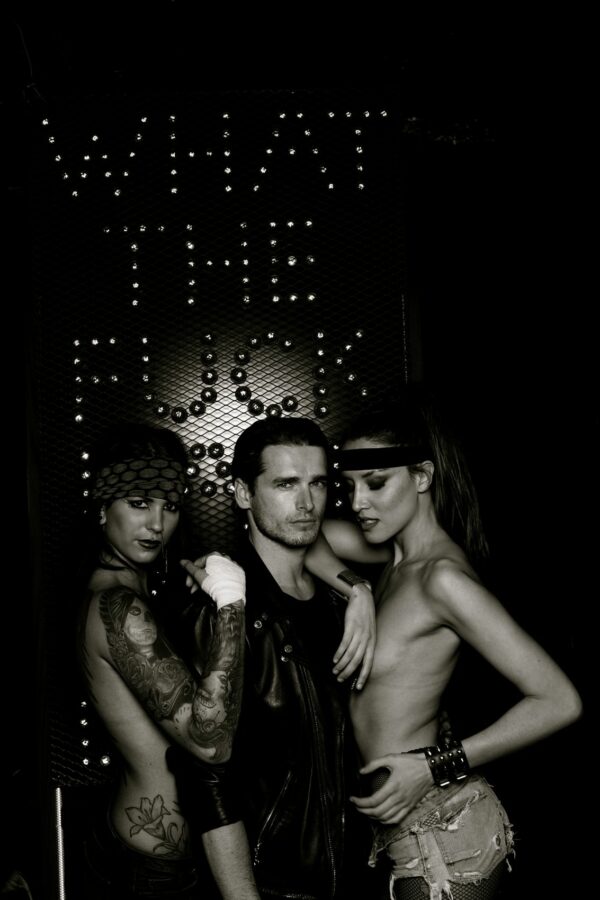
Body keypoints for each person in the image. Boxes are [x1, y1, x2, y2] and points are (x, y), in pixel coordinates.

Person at [306, 390, 583, 899]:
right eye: (349, 486)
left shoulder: (442, 579)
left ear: (422, 477)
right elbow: (302, 531)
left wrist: (434, 764)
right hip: (406, 831)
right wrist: (356, 588)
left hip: (447, 835)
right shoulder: (391, 560)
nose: (358, 502)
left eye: (376, 483)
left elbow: (560, 700)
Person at [181, 416, 378, 899]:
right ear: (242, 493)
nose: (307, 503)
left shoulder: (340, 605)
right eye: (286, 484)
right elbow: (205, 780)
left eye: (317, 483)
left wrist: (359, 589)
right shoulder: (223, 610)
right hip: (274, 886)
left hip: (359, 875)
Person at [76, 422, 260, 899]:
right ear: (103, 507)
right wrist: (231, 605)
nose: (157, 524)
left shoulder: (139, 592)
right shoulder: (118, 606)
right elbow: (210, 743)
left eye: (170, 506)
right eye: (139, 503)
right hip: (153, 874)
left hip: (168, 861)